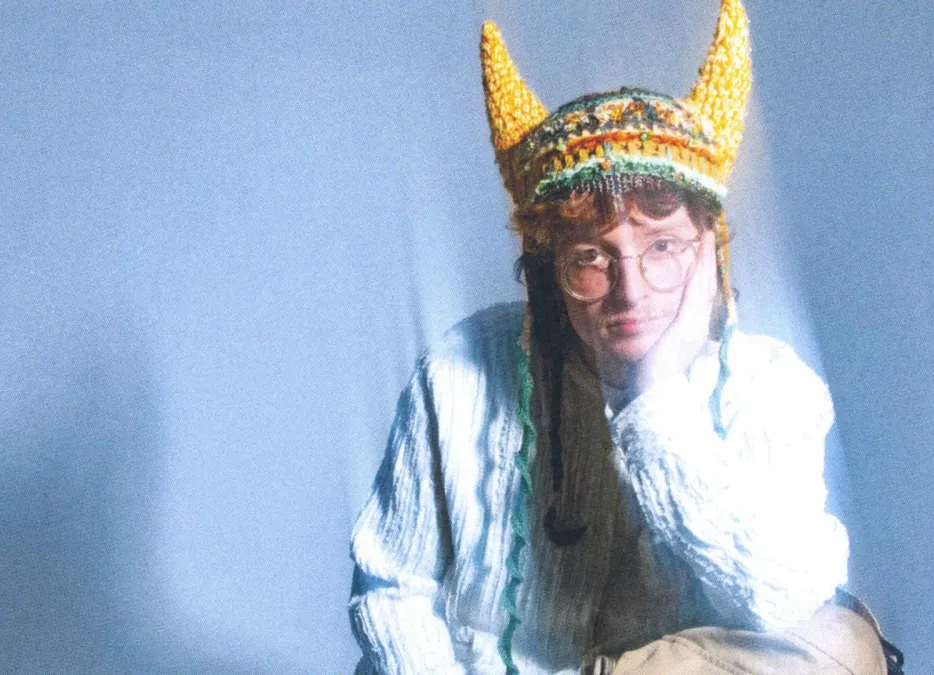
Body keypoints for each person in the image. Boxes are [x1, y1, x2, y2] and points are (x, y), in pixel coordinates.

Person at [349, 1, 902, 673]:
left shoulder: (771, 384)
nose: (631, 290)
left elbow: (783, 595)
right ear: (548, 269)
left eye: (663, 247)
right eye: (591, 257)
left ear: (710, 250)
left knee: (840, 642)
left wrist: (654, 397)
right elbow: (392, 588)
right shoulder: (459, 370)